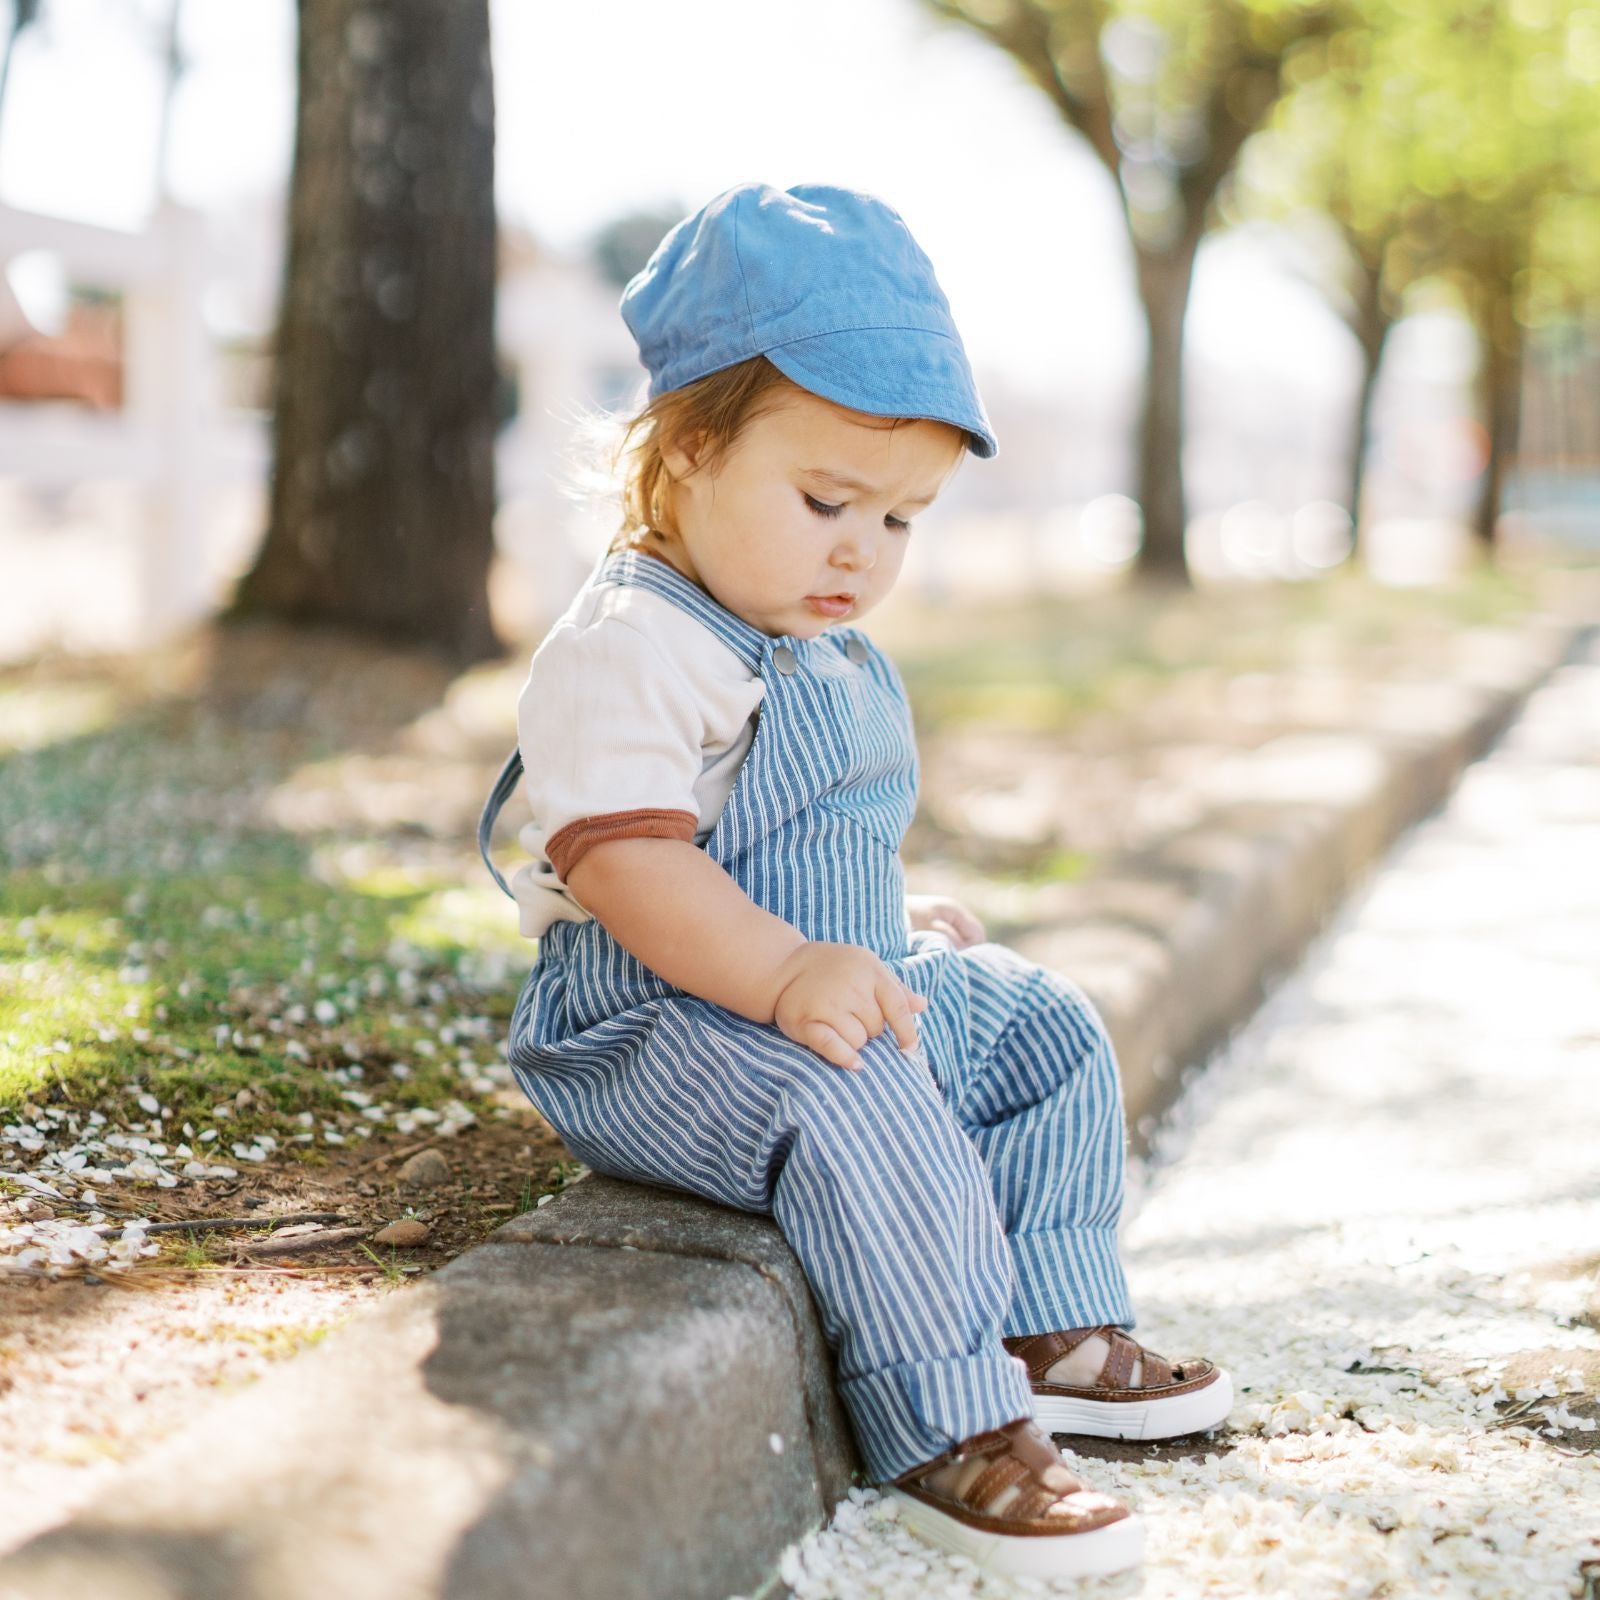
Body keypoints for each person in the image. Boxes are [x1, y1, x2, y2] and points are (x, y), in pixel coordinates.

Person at [478, 182, 1231, 1581]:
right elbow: (638, 867)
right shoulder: (631, 647)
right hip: (653, 1025)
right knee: (858, 1094)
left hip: (791, 983)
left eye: (902, 520)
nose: (860, 553)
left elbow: (808, 836)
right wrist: (786, 969)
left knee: (1038, 1022)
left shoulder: (809, 636)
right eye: (827, 500)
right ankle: (949, 1420)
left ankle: (1046, 1323)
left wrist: (876, 929)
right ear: (681, 451)